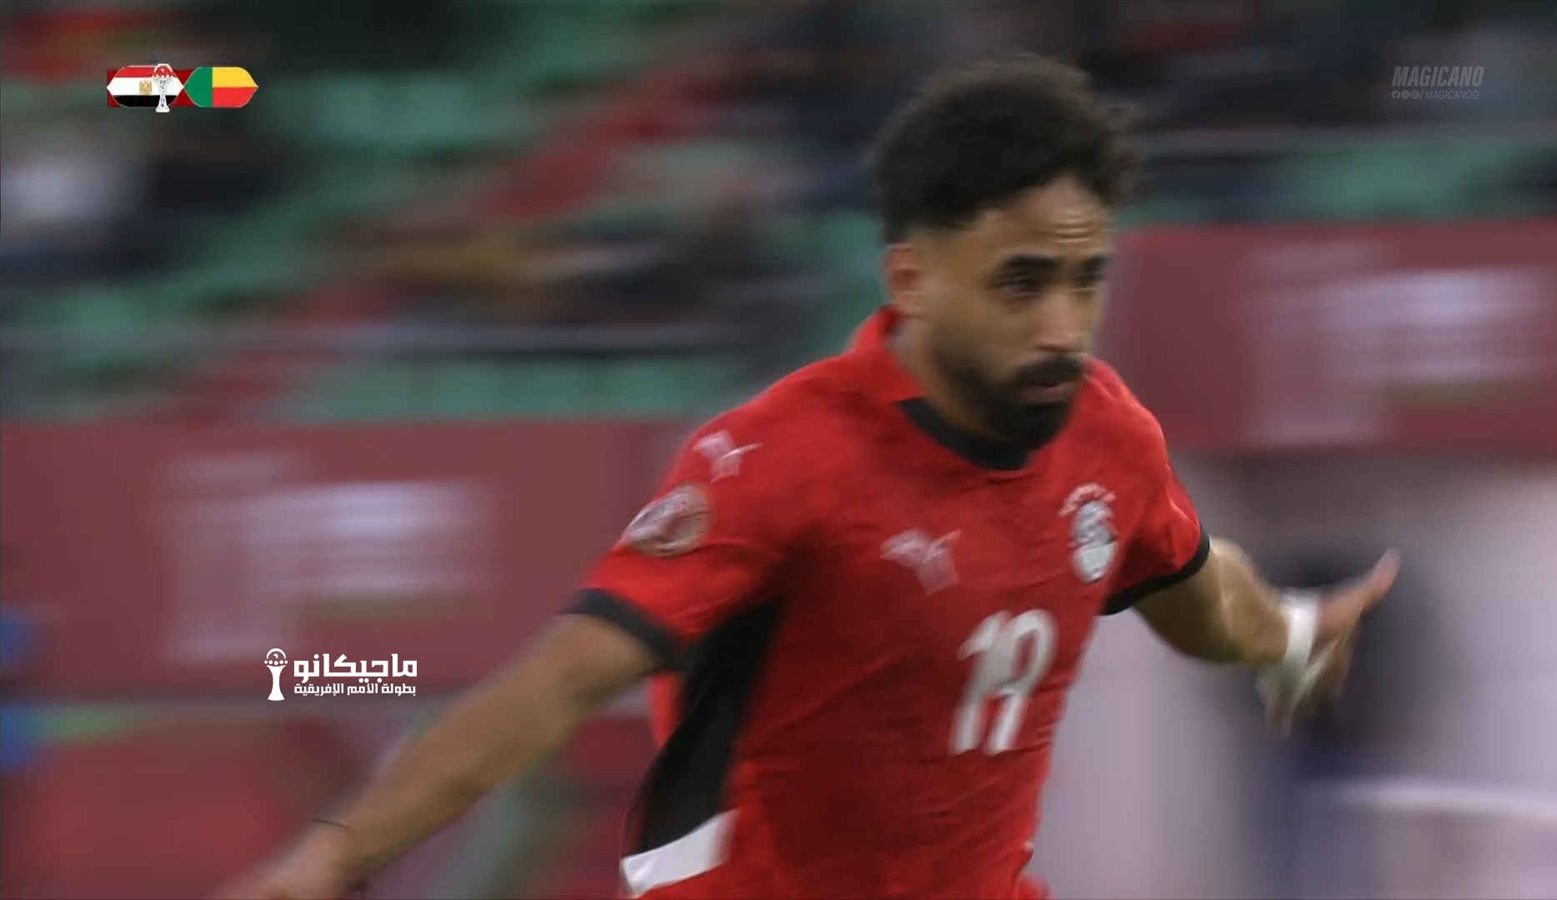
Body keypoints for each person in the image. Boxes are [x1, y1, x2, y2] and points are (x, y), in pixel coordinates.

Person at [218, 54, 1399, 900]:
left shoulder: (1107, 436)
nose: (1060, 326)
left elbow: (1199, 594)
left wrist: (1290, 638)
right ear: (912, 279)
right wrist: (336, 856)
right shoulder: (783, 461)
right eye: (1020, 282)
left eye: (1085, 281)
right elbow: (565, 678)